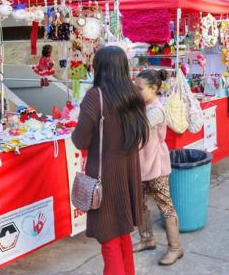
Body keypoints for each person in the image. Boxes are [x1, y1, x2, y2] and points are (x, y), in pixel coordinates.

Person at [71, 46, 149, 275]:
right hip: (128, 173)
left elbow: (80, 140)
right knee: (122, 233)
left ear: (100, 68)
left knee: (109, 239)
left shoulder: (96, 97)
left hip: (105, 176)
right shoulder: (134, 95)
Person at [133, 69, 183, 266]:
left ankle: (175, 248)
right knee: (139, 202)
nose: (135, 92)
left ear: (153, 89)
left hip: (156, 165)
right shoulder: (143, 105)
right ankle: (147, 239)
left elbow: (137, 131)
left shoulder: (156, 110)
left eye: (139, 88)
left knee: (165, 205)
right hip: (141, 165)